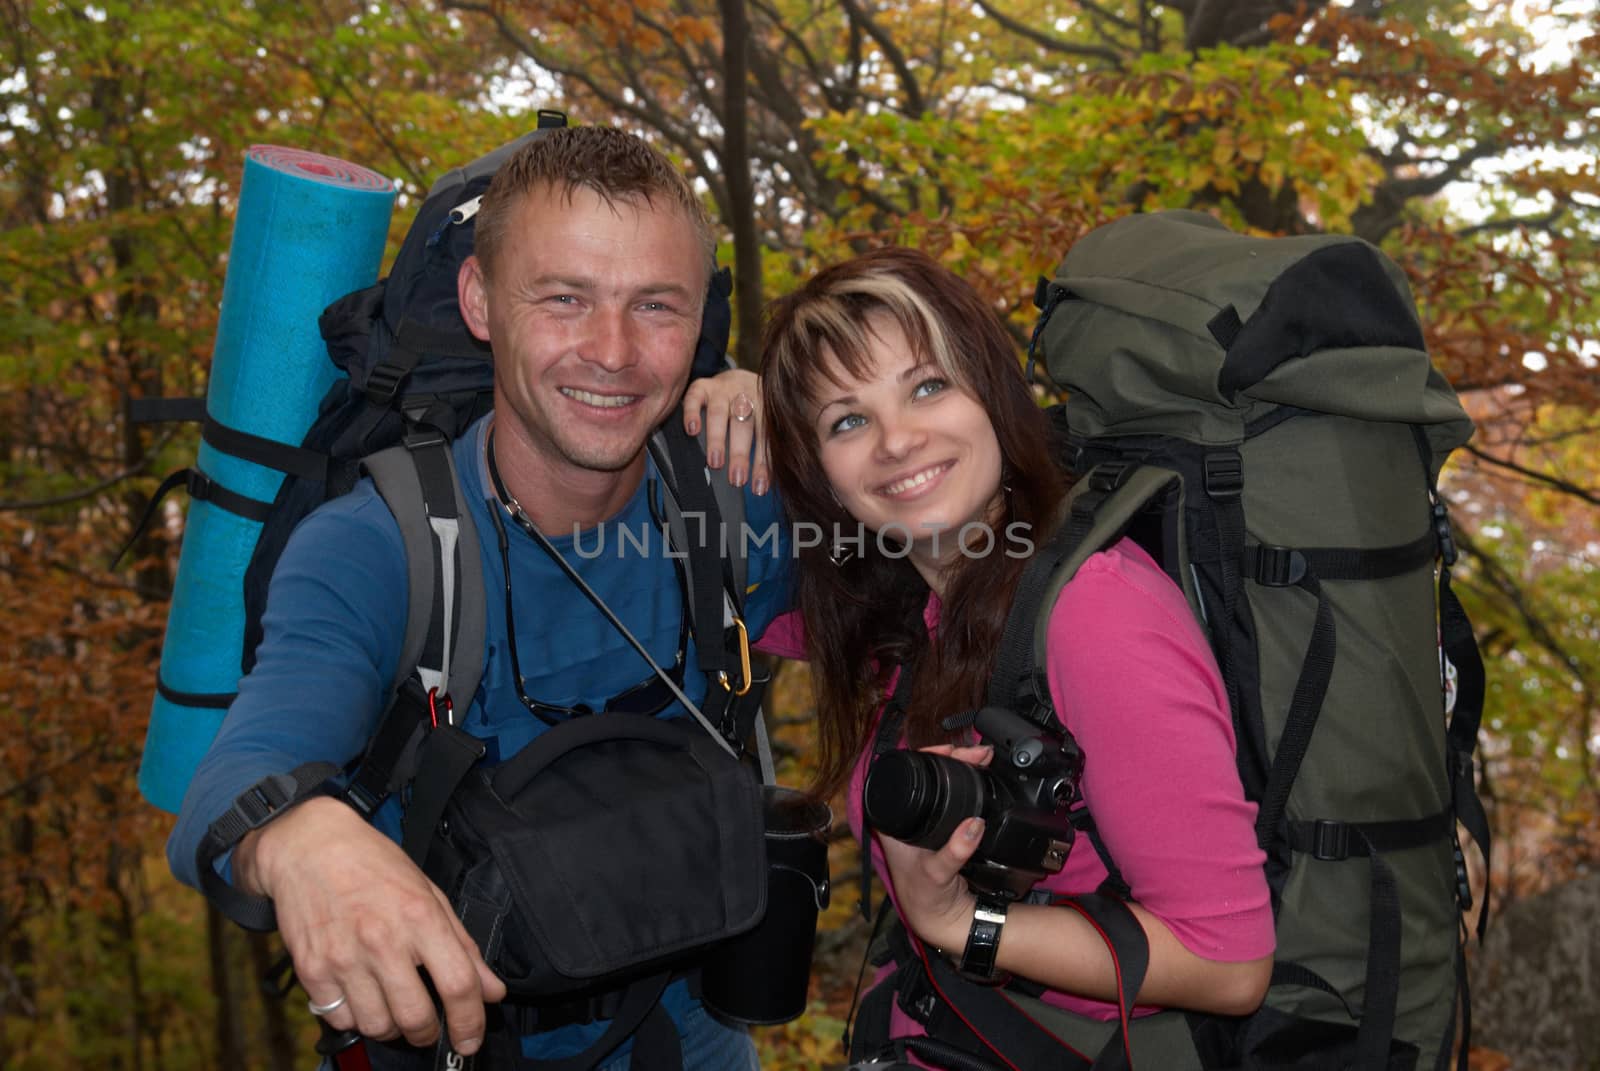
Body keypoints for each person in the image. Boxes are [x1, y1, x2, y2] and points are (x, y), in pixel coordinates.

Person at [168, 126, 786, 1069]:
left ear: (700, 321)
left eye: (655, 305)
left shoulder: (731, 498)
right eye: (565, 298)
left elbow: (918, 613)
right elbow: (245, 762)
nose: (614, 352)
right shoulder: (378, 545)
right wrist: (300, 838)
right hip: (452, 1044)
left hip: (691, 1030)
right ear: (480, 301)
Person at [756, 247, 1274, 1063]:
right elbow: (658, 563)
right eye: (846, 420)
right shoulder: (905, 610)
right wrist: (711, 395)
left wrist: (961, 922)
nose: (897, 440)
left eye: (929, 386)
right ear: (820, 474)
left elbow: (1228, 958)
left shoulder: (1093, 614)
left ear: (993, 395)